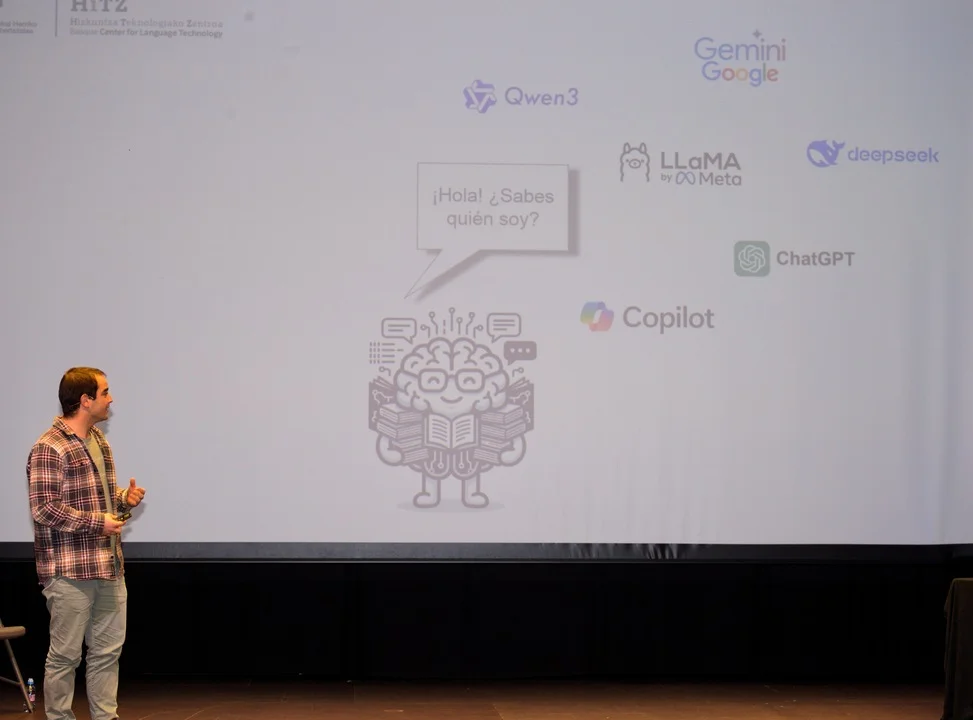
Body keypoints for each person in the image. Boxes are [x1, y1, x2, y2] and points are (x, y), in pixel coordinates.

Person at [26, 367, 146, 720]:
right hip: (69, 572)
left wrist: (123, 499)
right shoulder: (49, 447)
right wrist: (98, 522)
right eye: (105, 392)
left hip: (108, 566)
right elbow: (44, 509)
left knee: (107, 653)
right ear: (85, 400)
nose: (111, 399)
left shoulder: (99, 442)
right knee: (65, 656)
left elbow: (99, 500)